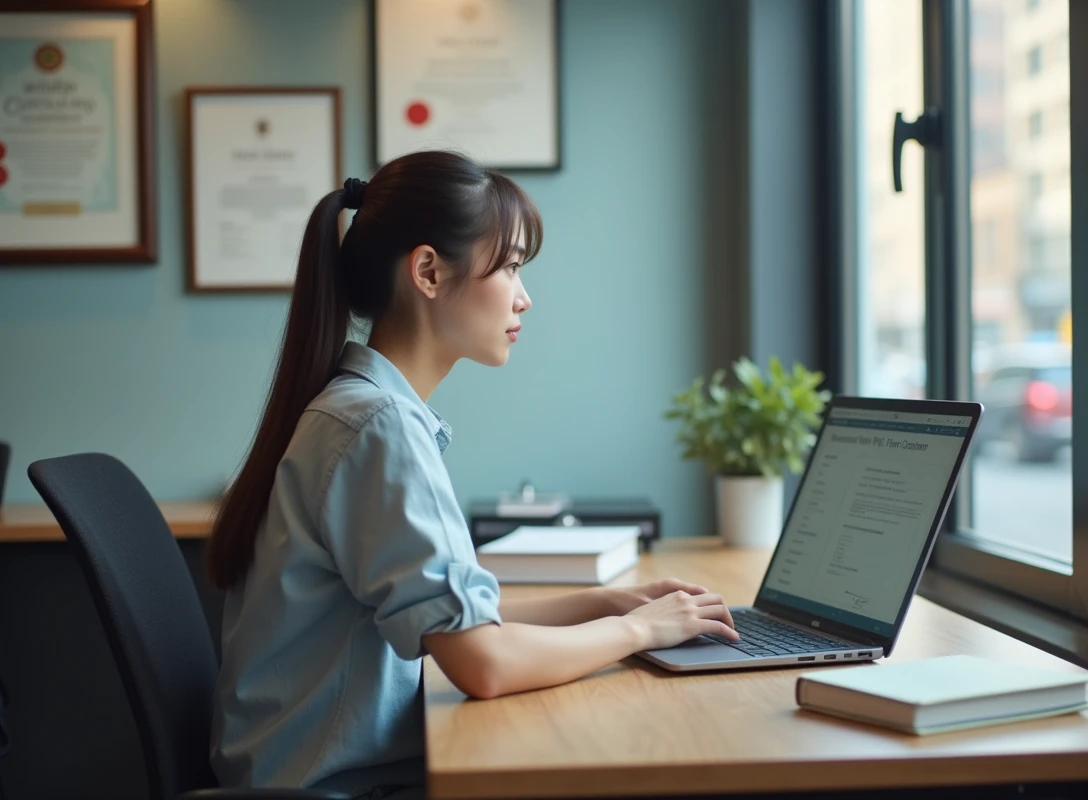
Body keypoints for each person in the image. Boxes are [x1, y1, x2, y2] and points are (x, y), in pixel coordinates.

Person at [205, 150, 739, 800]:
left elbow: (459, 624)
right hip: (331, 786)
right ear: (429, 271)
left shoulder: (364, 410)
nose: (524, 296)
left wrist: (604, 604)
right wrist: (641, 631)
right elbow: (481, 664)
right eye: (511, 265)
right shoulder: (376, 426)